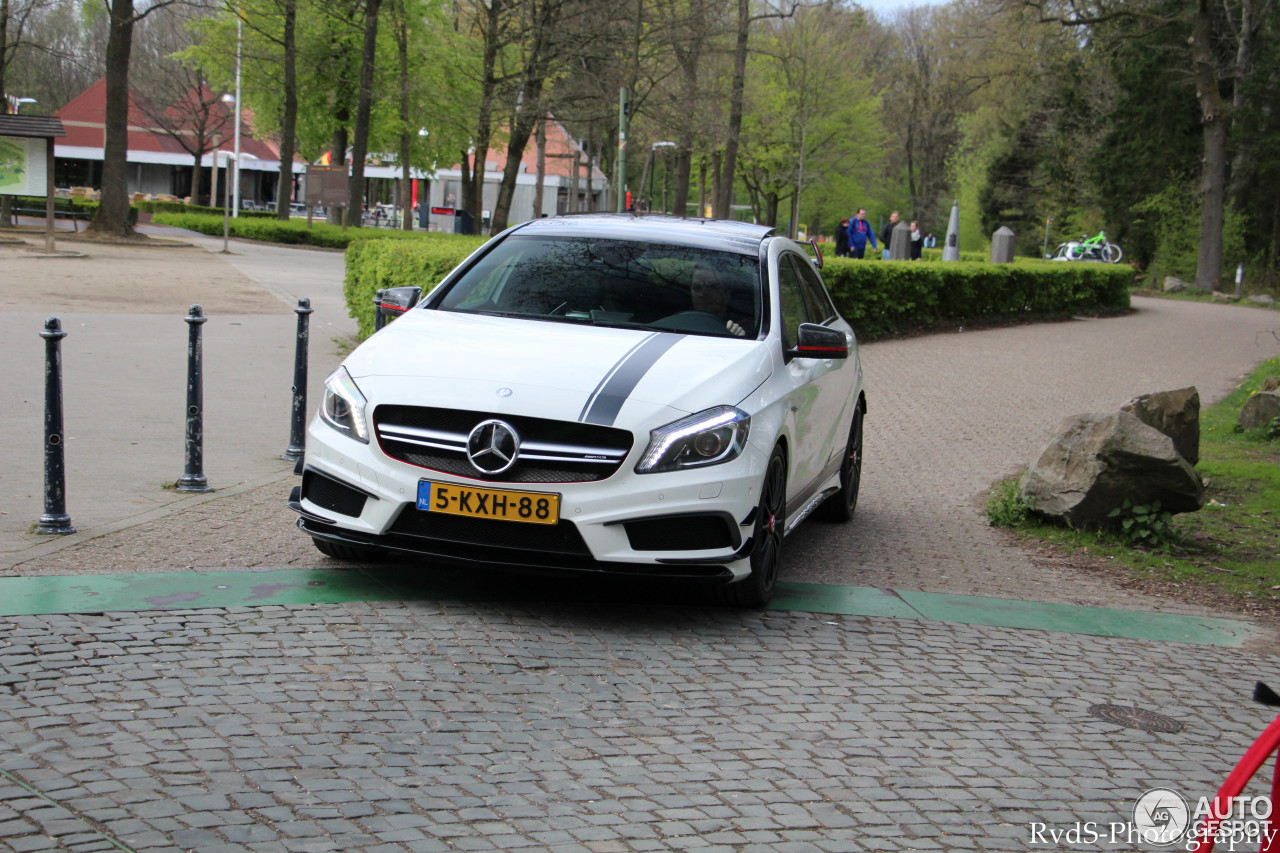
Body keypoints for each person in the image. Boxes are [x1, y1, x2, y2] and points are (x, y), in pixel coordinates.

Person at [690, 267, 746, 336]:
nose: (703, 293)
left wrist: (737, 338)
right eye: (697, 288)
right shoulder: (681, 321)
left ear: (726, 294)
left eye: (711, 287)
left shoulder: (744, 326)